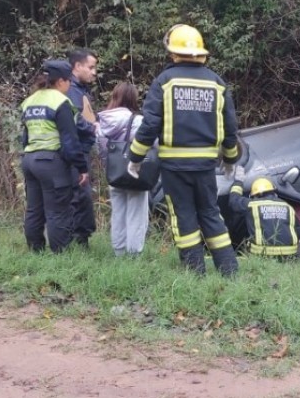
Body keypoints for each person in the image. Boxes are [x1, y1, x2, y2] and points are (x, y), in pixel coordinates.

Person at [127, 24, 241, 276]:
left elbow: (150, 125)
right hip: (206, 166)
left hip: (174, 166)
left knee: (183, 215)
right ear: (201, 52)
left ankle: (195, 271)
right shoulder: (217, 83)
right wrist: (231, 159)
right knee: (211, 213)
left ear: (172, 52)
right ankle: (229, 269)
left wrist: (135, 158)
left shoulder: (165, 81)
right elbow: (230, 126)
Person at [20, 60, 89, 253]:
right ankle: (61, 253)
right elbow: (70, 139)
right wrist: (81, 167)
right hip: (50, 161)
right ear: (60, 81)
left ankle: (36, 251)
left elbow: (24, 137)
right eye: (69, 81)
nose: (69, 85)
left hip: (29, 160)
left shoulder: (29, 101)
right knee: (58, 210)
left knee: (34, 209)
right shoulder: (60, 102)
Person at [96, 82, 149, 257]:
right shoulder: (138, 121)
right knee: (136, 216)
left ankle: (119, 253)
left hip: (114, 174)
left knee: (118, 214)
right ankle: (134, 255)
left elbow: (102, 149)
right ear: (133, 98)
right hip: (136, 173)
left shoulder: (103, 121)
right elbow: (151, 144)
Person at [66, 48, 99, 248]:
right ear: (77, 66)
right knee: (79, 195)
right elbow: (73, 119)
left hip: (81, 150)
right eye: (91, 67)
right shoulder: (71, 90)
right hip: (75, 151)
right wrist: (92, 128)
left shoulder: (81, 90)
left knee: (82, 195)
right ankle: (79, 241)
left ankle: (79, 239)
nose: (94, 72)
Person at [228, 172, 300, 259]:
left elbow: (233, 201)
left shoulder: (252, 205)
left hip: (262, 254)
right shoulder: (288, 207)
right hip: (290, 255)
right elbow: (298, 230)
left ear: (255, 195)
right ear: (273, 192)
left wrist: (238, 181)